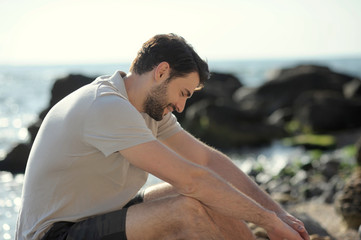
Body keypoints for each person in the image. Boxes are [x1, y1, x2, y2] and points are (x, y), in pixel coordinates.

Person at [16, 33, 309, 240]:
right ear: (162, 72)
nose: (181, 106)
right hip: (55, 234)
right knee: (186, 210)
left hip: (100, 215)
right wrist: (268, 222)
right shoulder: (106, 105)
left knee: (212, 195)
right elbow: (192, 179)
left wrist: (279, 215)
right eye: (182, 93)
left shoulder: (148, 109)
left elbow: (207, 161)